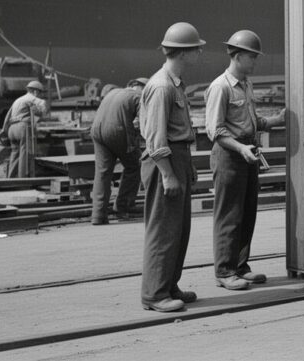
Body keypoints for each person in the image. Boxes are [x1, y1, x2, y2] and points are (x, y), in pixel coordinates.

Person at [206, 30, 285, 291]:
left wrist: (277, 119)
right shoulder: (221, 87)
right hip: (229, 157)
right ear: (237, 56)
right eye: (252, 58)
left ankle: (240, 266)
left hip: (247, 155)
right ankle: (224, 271)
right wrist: (240, 148)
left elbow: (253, 122)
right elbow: (215, 131)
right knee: (229, 215)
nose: (255, 63)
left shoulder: (247, 84)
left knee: (247, 213)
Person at [140, 22, 205, 313]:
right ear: (183, 52)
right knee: (163, 230)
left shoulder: (175, 84)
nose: (200, 52)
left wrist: (185, 165)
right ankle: (154, 294)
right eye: (196, 48)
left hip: (177, 158)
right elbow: (155, 137)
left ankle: (168, 284)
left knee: (179, 229)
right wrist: (167, 174)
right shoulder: (162, 86)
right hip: (163, 162)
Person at [89, 78, 148, 225]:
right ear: (142, 88)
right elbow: (145, 123)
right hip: (116, 131)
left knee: (102, 172)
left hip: (96, 130)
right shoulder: (138, 97)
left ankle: (98, 215)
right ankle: (123, 206)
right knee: (135, 165)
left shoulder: (114, 92)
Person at [0, 80, 47, 178]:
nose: (40, 96)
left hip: (12, 129)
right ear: (36, 91)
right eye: (40, 93)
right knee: (24, 154)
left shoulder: (18, 100)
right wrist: (42, 114)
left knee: (15, 153)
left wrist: (3, 131)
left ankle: (10, 178)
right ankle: (22, 179)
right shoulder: (32, 98)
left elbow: (7, 116)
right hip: (22, 128)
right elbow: (42, 105)